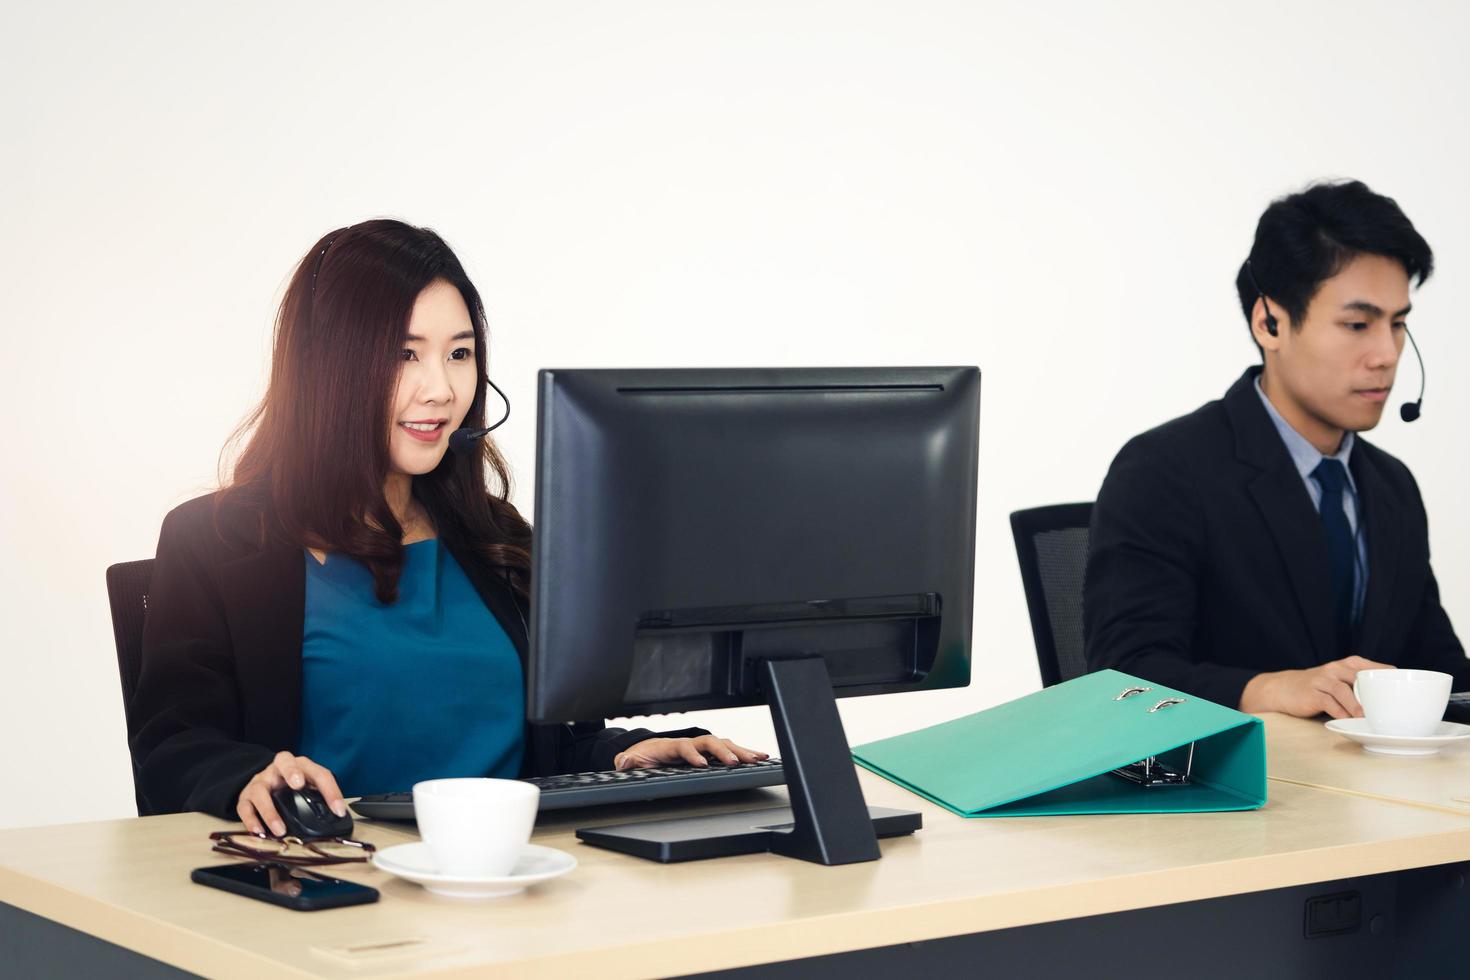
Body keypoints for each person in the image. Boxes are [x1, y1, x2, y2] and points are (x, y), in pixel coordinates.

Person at [129, 220, 765, 838]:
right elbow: (172, 747)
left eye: (460, 354)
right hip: (333, 883)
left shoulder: (499, 538)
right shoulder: (215, 541)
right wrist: (249, 776)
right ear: (329, 369)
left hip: (505, 886)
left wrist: (635, 752)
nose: (442, 389)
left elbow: (550, 749)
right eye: (406, 355)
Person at [1084, 180, 1470, 719]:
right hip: (1225, 789)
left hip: (1373, 793)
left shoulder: (1390, 487)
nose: (1386, 354)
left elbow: (1439, 672)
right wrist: (1267, 690)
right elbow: (1123, 675)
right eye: (1357, 324)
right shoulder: (1165, 470)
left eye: (1398, 323)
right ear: (1270, 322)